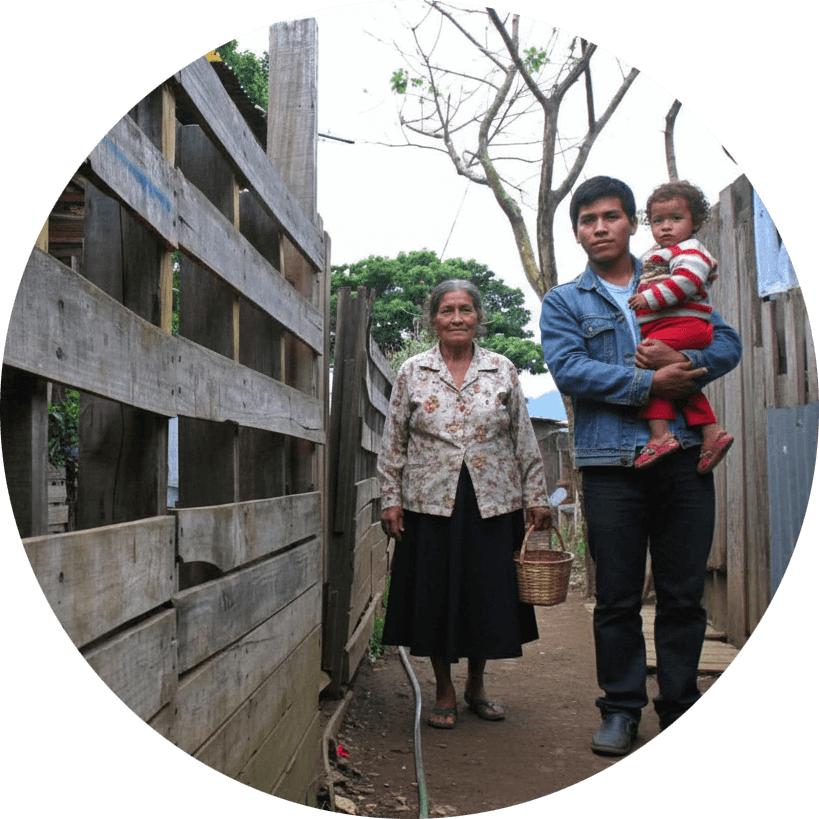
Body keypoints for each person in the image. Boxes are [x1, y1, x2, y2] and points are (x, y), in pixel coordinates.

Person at [539, 177, 741, 755]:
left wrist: (684, 362)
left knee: (682, 593)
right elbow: (571, 371)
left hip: (682, 456)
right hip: (609, 465)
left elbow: (725, 343)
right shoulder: (565, 302)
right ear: (577, 231)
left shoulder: (676, 273)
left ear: (632, 223)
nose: (599, 227)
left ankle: (679, 703)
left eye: (610, 216)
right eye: (586, 220)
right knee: (619, 596)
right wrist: (649, 382)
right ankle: (621, 708)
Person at [378, 279, 550, 729]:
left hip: (492, 501)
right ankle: (444, 689)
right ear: (432, 318)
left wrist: (536, 497)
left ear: (478, 317)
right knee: (435, 595)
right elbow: (392, 441)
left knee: (484, 595)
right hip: (429, 502)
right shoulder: (413, 371)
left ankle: (476, 684)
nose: (457, 318)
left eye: (466, 309)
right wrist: (390, 500)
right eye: (447, 310)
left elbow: (523, 438)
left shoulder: (502, 369)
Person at [628, 181, 734, 473]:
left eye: (676, 219)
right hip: (672, 325)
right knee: (676, 380)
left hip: (685, 324)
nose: (666, 227)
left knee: (648, 369)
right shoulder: (657, 253)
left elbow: (687, 281)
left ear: (695, 221)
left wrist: (647, 298)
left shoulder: (689, 249)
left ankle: (660, 434)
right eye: (659, 220)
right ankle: (712, 432)